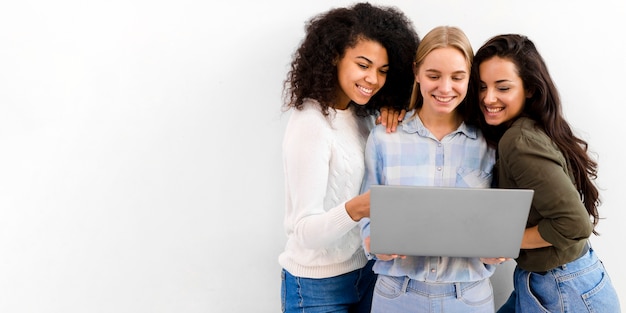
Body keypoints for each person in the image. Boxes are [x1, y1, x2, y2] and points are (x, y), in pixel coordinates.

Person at [278, 3, 419, 313]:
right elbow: (303, 231)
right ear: (334, 56)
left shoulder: (362, 114)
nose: (373, 79)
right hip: (317, 286)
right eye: (363, 65)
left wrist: (398, 112)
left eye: (383, 71)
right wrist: (357, 209)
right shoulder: (311, 123)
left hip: (367, 274)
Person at [470, 34, 621, 313]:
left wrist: (502, 242)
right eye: (481, 87)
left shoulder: (519, 141)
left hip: (562, 288)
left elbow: (574, 224)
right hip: (558, 280)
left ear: (529, 89)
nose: (488, 98)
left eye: (502, 87)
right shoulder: (530, 129)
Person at [360, 26, 500, 313]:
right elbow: (366, 210)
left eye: (457, 77)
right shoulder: (385, 136)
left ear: (470, 78)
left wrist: (497, 250)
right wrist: (372, 242)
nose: (445, 88)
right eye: (434, 76)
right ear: (416, 72)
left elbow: (501, 218)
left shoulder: (491, 142)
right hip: (397, 295)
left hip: (469, 297)